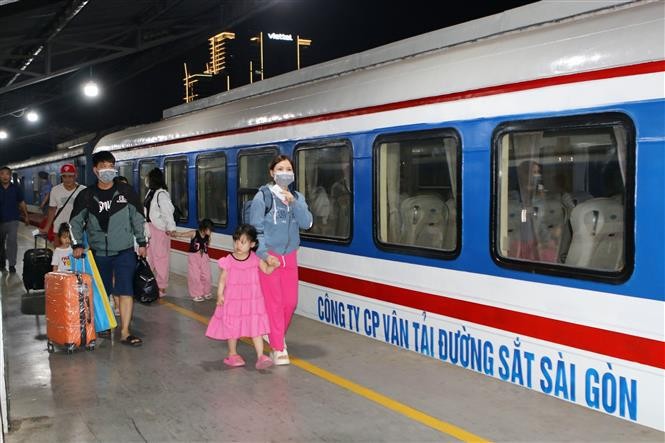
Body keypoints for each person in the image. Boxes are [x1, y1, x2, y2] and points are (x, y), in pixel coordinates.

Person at [69, 151, 147, 347]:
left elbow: (138, 218)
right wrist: (77, 244)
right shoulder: (86, 195)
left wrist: (142, 242)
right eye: (103, 167)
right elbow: (75, 222)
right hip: (98, 254)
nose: (108, 170)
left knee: (125, 290)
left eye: (111, 166)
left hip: (124, 251)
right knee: (100, 292)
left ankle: (125, 331)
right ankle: (103, 324)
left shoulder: (126, 192)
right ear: (95, 170)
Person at [249, 154, 312, 365]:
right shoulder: (263, 197)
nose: (285, 173)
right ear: (271, 172)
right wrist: (265, 256)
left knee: (290, 303)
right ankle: (278, 347)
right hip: (271, 258)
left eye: (288, 169)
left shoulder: (297, 197)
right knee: (274, 304)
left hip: (290, 257)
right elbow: (255, 231)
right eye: (280, 169)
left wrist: (294, 203)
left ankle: (273, 333)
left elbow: (306, 223)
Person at [205, 224, 275, 369]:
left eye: (242, 242)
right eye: (236, 241)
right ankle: (232, 354)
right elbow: (223, 279)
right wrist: (219, 295)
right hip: (233, 301)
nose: (238, 245)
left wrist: (273, 265)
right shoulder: (229, 260)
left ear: (252, 244)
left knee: (256, 328)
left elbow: (267, 270)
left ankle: (261, 356)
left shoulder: (255, 259)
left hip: (252, 301)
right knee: (233, 328)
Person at [144, 168, 176, 297]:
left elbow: (168, 212)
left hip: (160, 230)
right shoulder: (151, 192)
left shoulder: (161, 194)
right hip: (150, 229)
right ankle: (150, 284)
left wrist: (171, 228)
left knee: (161, 259)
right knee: (150, 258)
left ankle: (162, 287)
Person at [40, 163, 85, 245]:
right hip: (59, 229)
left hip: (78, 229)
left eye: (70, 176)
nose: (67, 179)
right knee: (59, 254)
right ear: (61, 177)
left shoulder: (83, 190)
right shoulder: (55, 190)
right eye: (64, 176)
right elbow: (52, 210)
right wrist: (47, 227)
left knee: (77, 255)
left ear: (76, 176)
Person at [171, 219, 214, 302]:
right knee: (195, 276)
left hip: (204, 257)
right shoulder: (194, 233)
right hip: (194, 257)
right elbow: (182, 234)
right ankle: (196, 294)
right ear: (204, 228)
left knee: (207, 276)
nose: (211, 231)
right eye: (210, 229)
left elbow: (206, 245)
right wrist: (173, 233)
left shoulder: (208, 236)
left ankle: (206, 292)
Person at [0, 166, 29, 273]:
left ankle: (12, 264)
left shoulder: (16, 189)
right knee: (0, 243)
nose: (4, 176)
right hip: (0, 221)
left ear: (10, 176)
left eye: (7, 174)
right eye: (2, 174)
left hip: (13, 219)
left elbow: (21, 202)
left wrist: (26, 215)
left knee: (12, 242)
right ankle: (2, 263)